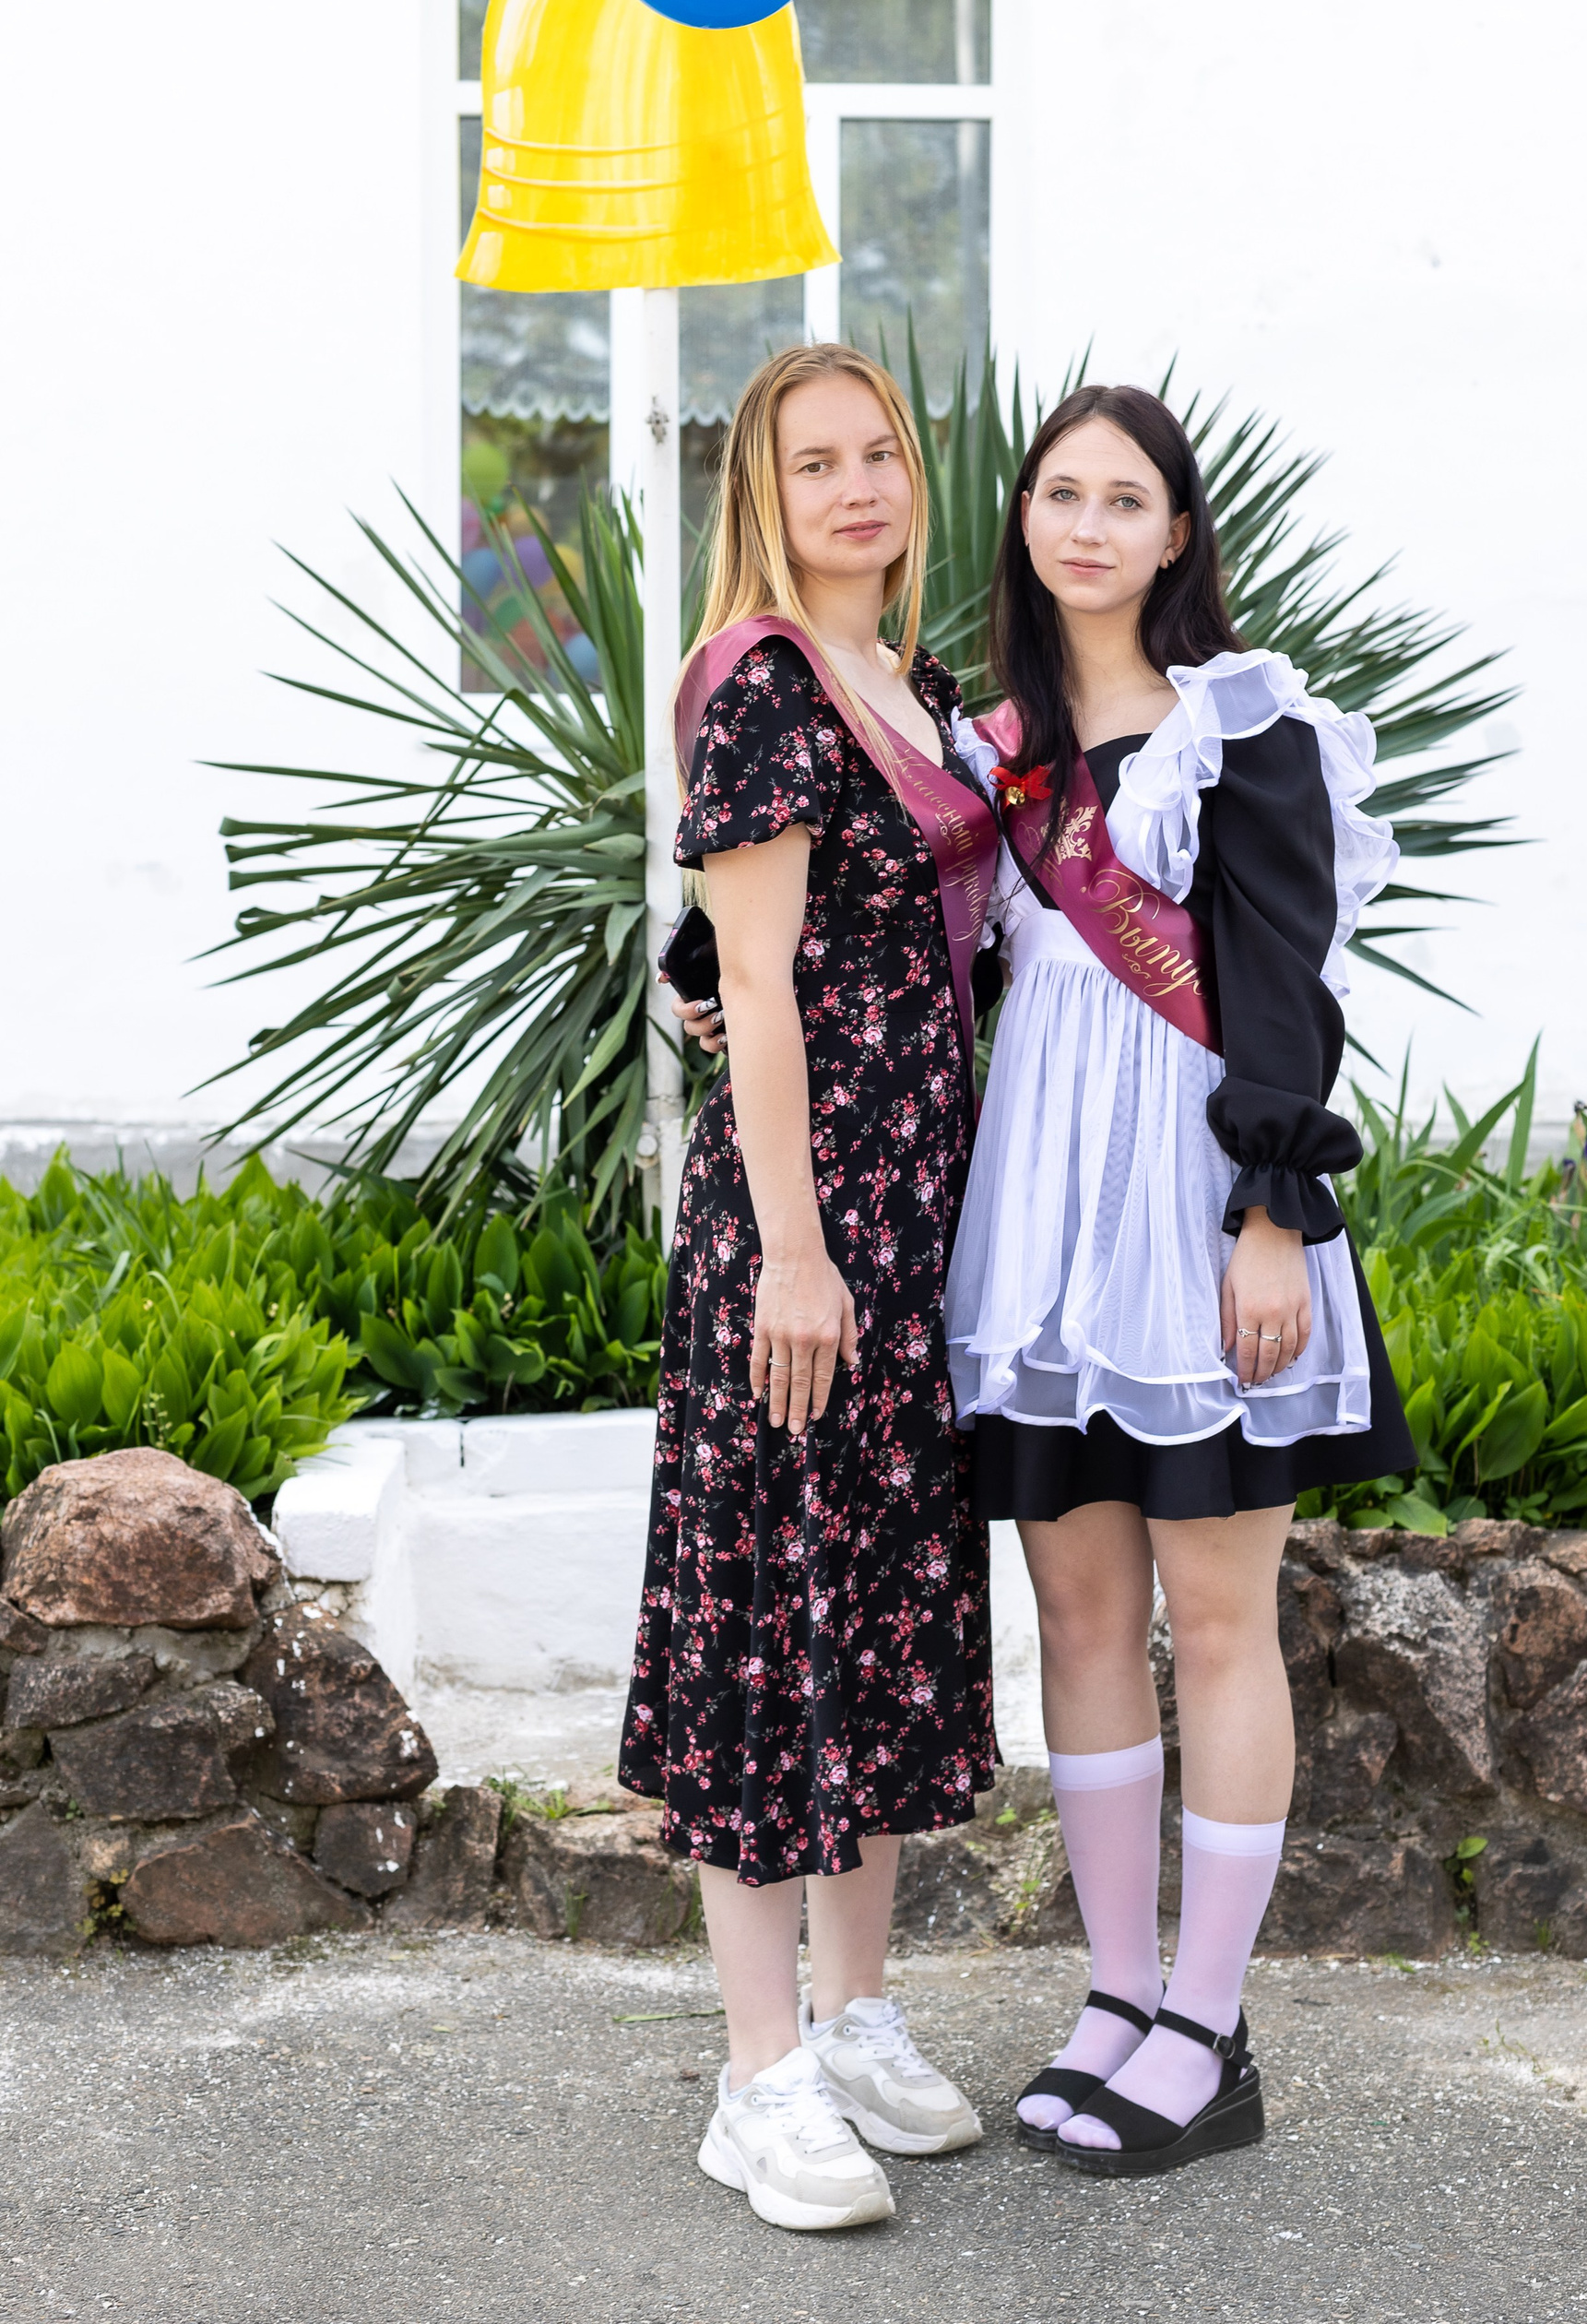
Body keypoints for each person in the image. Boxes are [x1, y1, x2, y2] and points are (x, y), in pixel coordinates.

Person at [944, 384, 1416, 2180]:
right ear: (1028, 520)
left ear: (1175, 534)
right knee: (1076, 1620)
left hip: (1202, 1213)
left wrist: (1274, 1215)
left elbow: (1287, 981)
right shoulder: (993, 748)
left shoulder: (1244, 726)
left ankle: (1209, 2031)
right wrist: (711, 971)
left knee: (1216, 1619)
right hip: (1045, 1237)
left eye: (1123, 498)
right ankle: (1116, 1996)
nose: (1087, 525)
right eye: (1060, 493)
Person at [622, 343, 1002, 2234]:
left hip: (916, 1233)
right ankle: (756, 2074)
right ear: (762, 499)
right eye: (815, 463)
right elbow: (757, 983)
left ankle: (854, 2022)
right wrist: (792, 1248)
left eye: (880, 454)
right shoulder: (768, 681)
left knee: (879, 1618)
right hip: (807, 1231)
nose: (858, 487)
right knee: (771, 1628)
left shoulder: (915, 689)